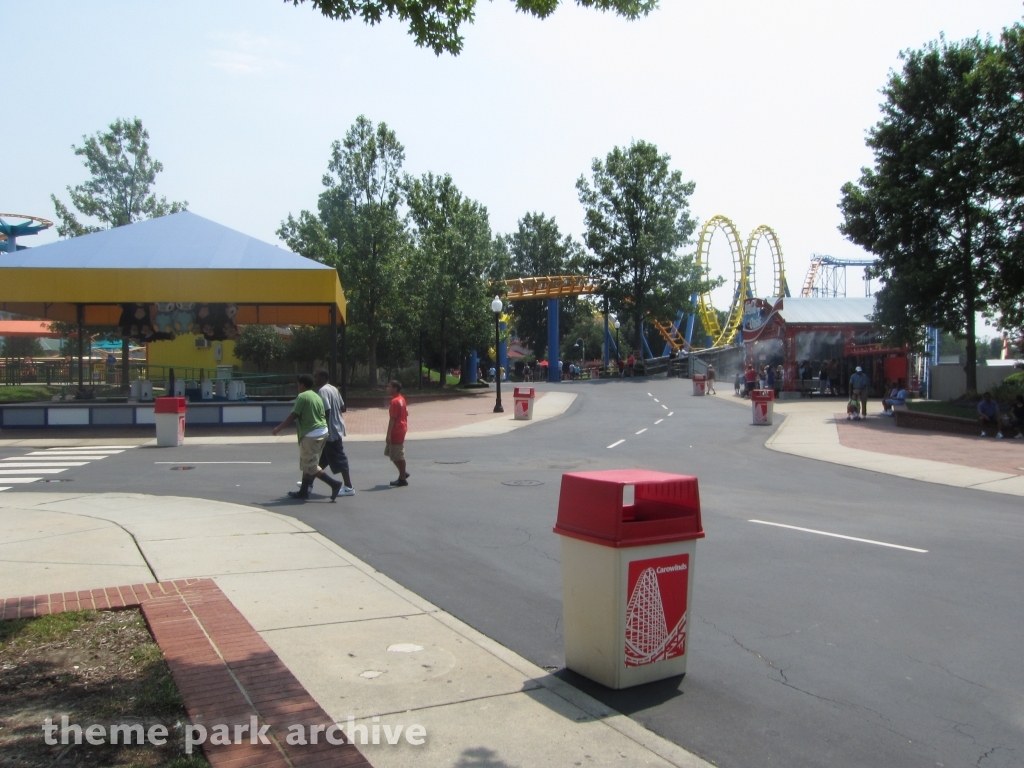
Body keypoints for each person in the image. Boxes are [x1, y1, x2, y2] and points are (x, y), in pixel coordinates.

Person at [272, 374, 337, 501]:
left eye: (298, 385)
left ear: (302, 385)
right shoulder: (316, 395)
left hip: (311, 434)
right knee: (307, 463)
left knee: (310, 465)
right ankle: (303, 492)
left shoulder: (302, 396)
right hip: (322, 432)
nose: (297, 387)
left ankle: (334, 484)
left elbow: (294, 415)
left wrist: (279, 428)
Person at [311, 369, 354, 496]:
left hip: (330, 431)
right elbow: (343, 408)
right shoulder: (333, 389)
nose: (315, 380)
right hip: (338, 427)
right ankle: (307, 483)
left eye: (317, 377)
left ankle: (348, 486)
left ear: (323, 377)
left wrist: (321, 428)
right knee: (321, 459)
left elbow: (326, 411)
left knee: (339, 458)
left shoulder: (323, 391)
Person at [385, 379, 410, 485]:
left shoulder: (395, 401)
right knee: (390, 452)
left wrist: (388, 434)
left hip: (397, 429)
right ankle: (403, 472)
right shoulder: (401, 399)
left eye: (389, 386)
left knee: (398, 454)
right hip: (402, 427)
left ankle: (403, 478)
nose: (387, 388)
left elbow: (393, 419)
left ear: (395, 389)